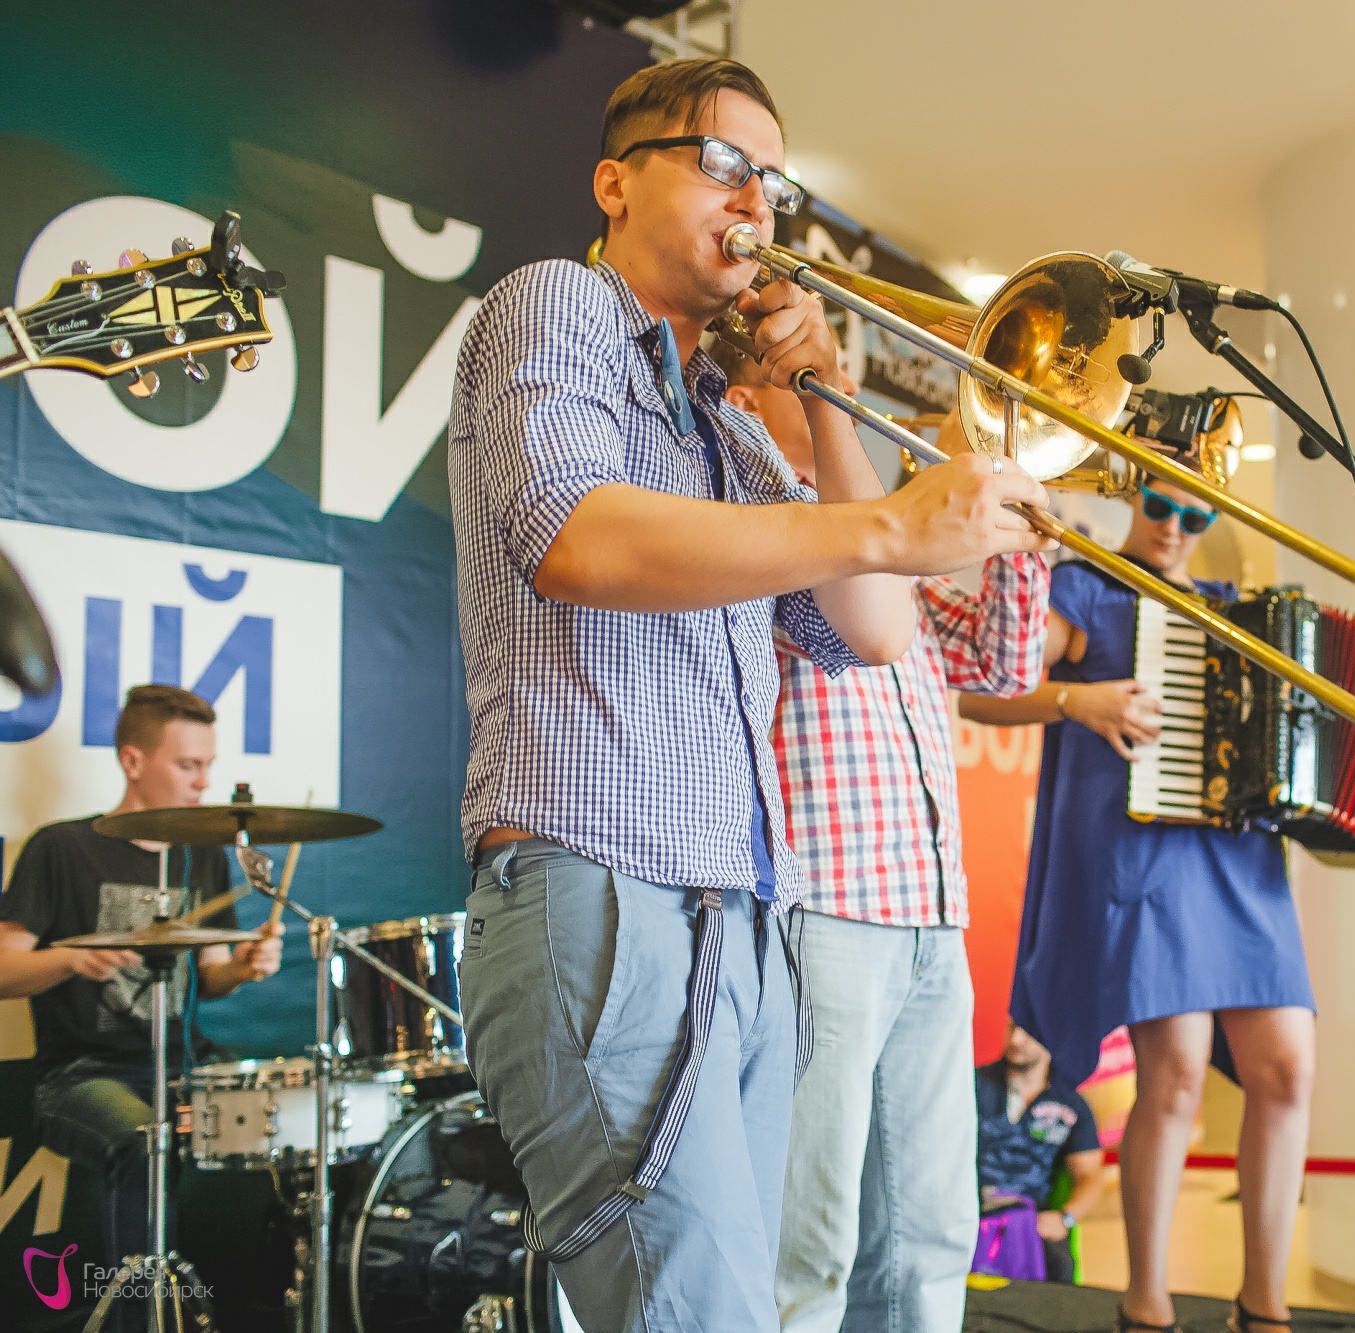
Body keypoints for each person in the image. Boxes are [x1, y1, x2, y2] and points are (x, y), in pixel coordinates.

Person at [447, 56, 1050, 1333]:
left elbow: (871, 628)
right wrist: (891, 522)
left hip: (735, 919)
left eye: (772, 184)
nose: (754, 204)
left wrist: (828, 399)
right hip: (600, 882)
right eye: (722, 163)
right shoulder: (556, 302)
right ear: (614, 183)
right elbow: (576, 536)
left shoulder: (723, 427)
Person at [715, 341, 1050, 1333]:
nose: (844, 394)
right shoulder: (760, 525)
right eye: (810, 382)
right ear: (747, 402)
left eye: (842, 381)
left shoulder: (889, 538)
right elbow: (848, 621)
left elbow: (1001, 664)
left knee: (930, 1232)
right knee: (811, 1239)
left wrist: (1017, 529)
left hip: (931, 916)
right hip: (825, 908)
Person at [960, 477, 1315, 1333]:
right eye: (1160, 506)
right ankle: (1147, 1302)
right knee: (1178, 1067)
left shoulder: (1241, 611)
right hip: (1150, 856)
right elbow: (979, 689)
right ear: (1134, 496)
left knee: (1287, 1066)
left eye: (1195, 515)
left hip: (1241, 859)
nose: (1175, 528)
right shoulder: (1087, 586)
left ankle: (1263, 1304)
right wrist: (1076, 699)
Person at [0, 684, 283, 1289]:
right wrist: (70, 960)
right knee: (143, 1140)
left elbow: (210, 978)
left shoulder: (200, 856)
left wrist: (244, 967)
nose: (204, 782)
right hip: (83, 1073)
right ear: (133, 761)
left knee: (292, 1116)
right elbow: (3, 971)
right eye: (188, 765)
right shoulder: (61, 847)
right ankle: (141, 1307)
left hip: (185, 1065)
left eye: (207, 764)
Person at [975, 1024, 1109, 1285]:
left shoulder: (1071, 1105)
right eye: (1012, 1028)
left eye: (1028, 1032)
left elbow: (1090, 1175)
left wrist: (1065, 1218)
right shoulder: (974, 1085)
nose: (1016, 1040)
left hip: (1032, 1218)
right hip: (972, 1211)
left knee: (1059, 1269)